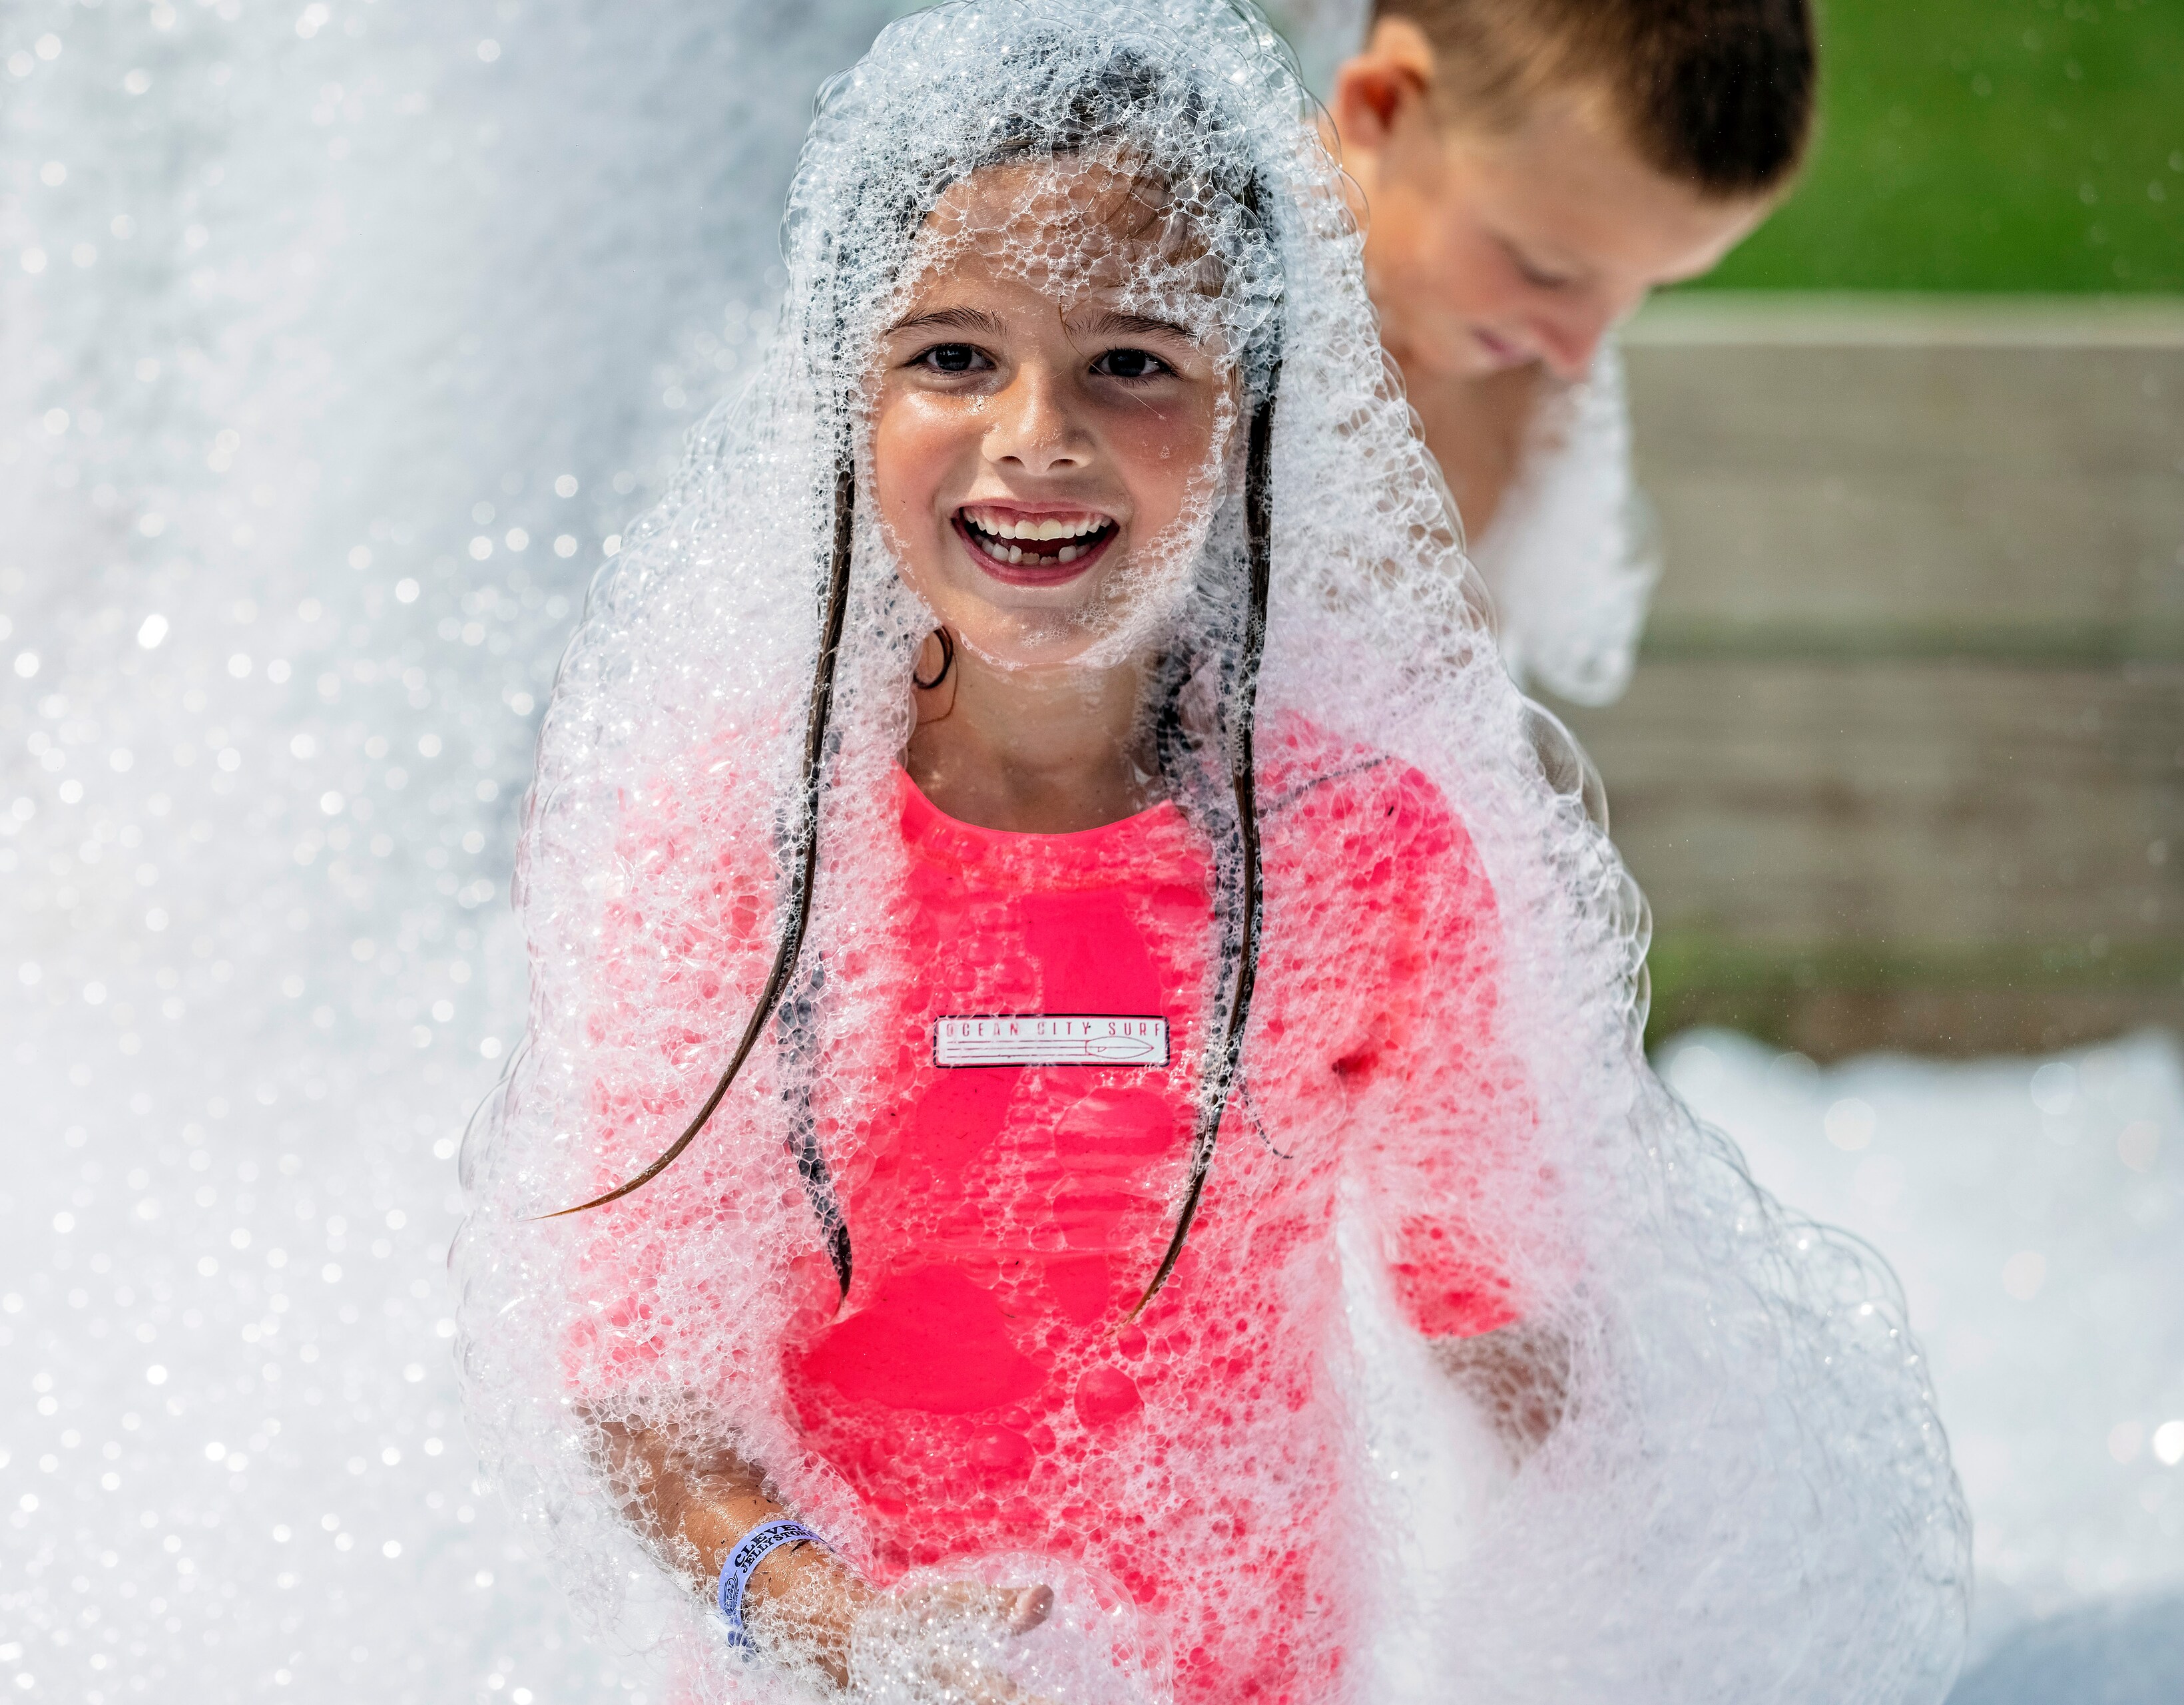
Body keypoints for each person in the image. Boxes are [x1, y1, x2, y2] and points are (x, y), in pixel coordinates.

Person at [461, 3, 1964, 1701]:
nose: (1036, 432)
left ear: (1246, 406)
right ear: (849, 392)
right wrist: (837, 1625)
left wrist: (1686, 1601)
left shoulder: (1362, 858)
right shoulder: (733, 847)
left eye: (1131, 362)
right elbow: (638, 1380)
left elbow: (1508, 1330)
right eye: (951, 356)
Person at [1281, 0, 1811, 703]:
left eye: (1649, 285)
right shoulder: (1186, 321)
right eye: (1545, 271)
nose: (1579, 353)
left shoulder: (1529, 387)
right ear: (1384, 104)